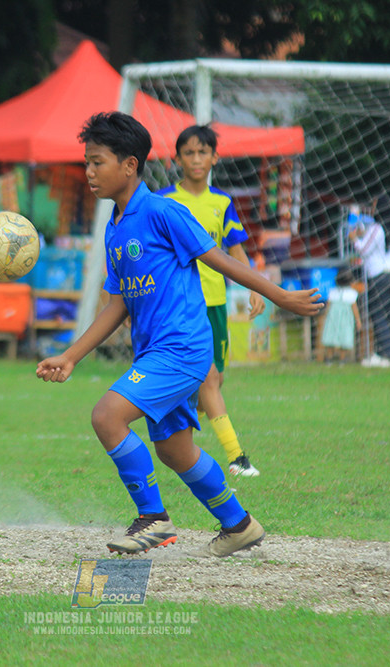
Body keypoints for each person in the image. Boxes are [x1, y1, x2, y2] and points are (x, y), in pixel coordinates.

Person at [36, 112, 323, 557]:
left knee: (106, 416)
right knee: (173, 449)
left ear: (130, 165)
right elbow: (118, 305)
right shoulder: (116, 227)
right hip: (154, 351)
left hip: (182, 348)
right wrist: (71, 356)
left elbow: (222, 260)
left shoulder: (163, 210)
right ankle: (239, 524)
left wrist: (280, 295)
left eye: (97, 162)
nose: (89, 172)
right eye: (87, 163)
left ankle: (153, 518)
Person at [156, 125, 265, 478]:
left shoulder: (222, 203)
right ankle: (237, 457)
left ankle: (185, 445)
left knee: (213, 380)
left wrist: (255, 287)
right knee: (209, 379)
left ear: (215, 158)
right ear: (177, 159)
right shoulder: (165, 203)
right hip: (181, 307)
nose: (197, 159)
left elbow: (235, 251)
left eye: (203, 152)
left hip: (216, 304)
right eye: (189, 152)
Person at [349, 196, 390, 367]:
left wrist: (354, 238)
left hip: (380, 275)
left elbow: (364, 249)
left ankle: (384, 355)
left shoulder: (376, 228)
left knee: (378, 314)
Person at [320, 268, 362, 363]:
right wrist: (358, 320)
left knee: (331, 336)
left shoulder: (333, 292)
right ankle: (341, 359)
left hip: (333, 318)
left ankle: (329, 358)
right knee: (344, 337)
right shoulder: (351, 293)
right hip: (346, 319)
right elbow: (354, 308)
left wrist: (325, 317)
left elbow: (328, 306)